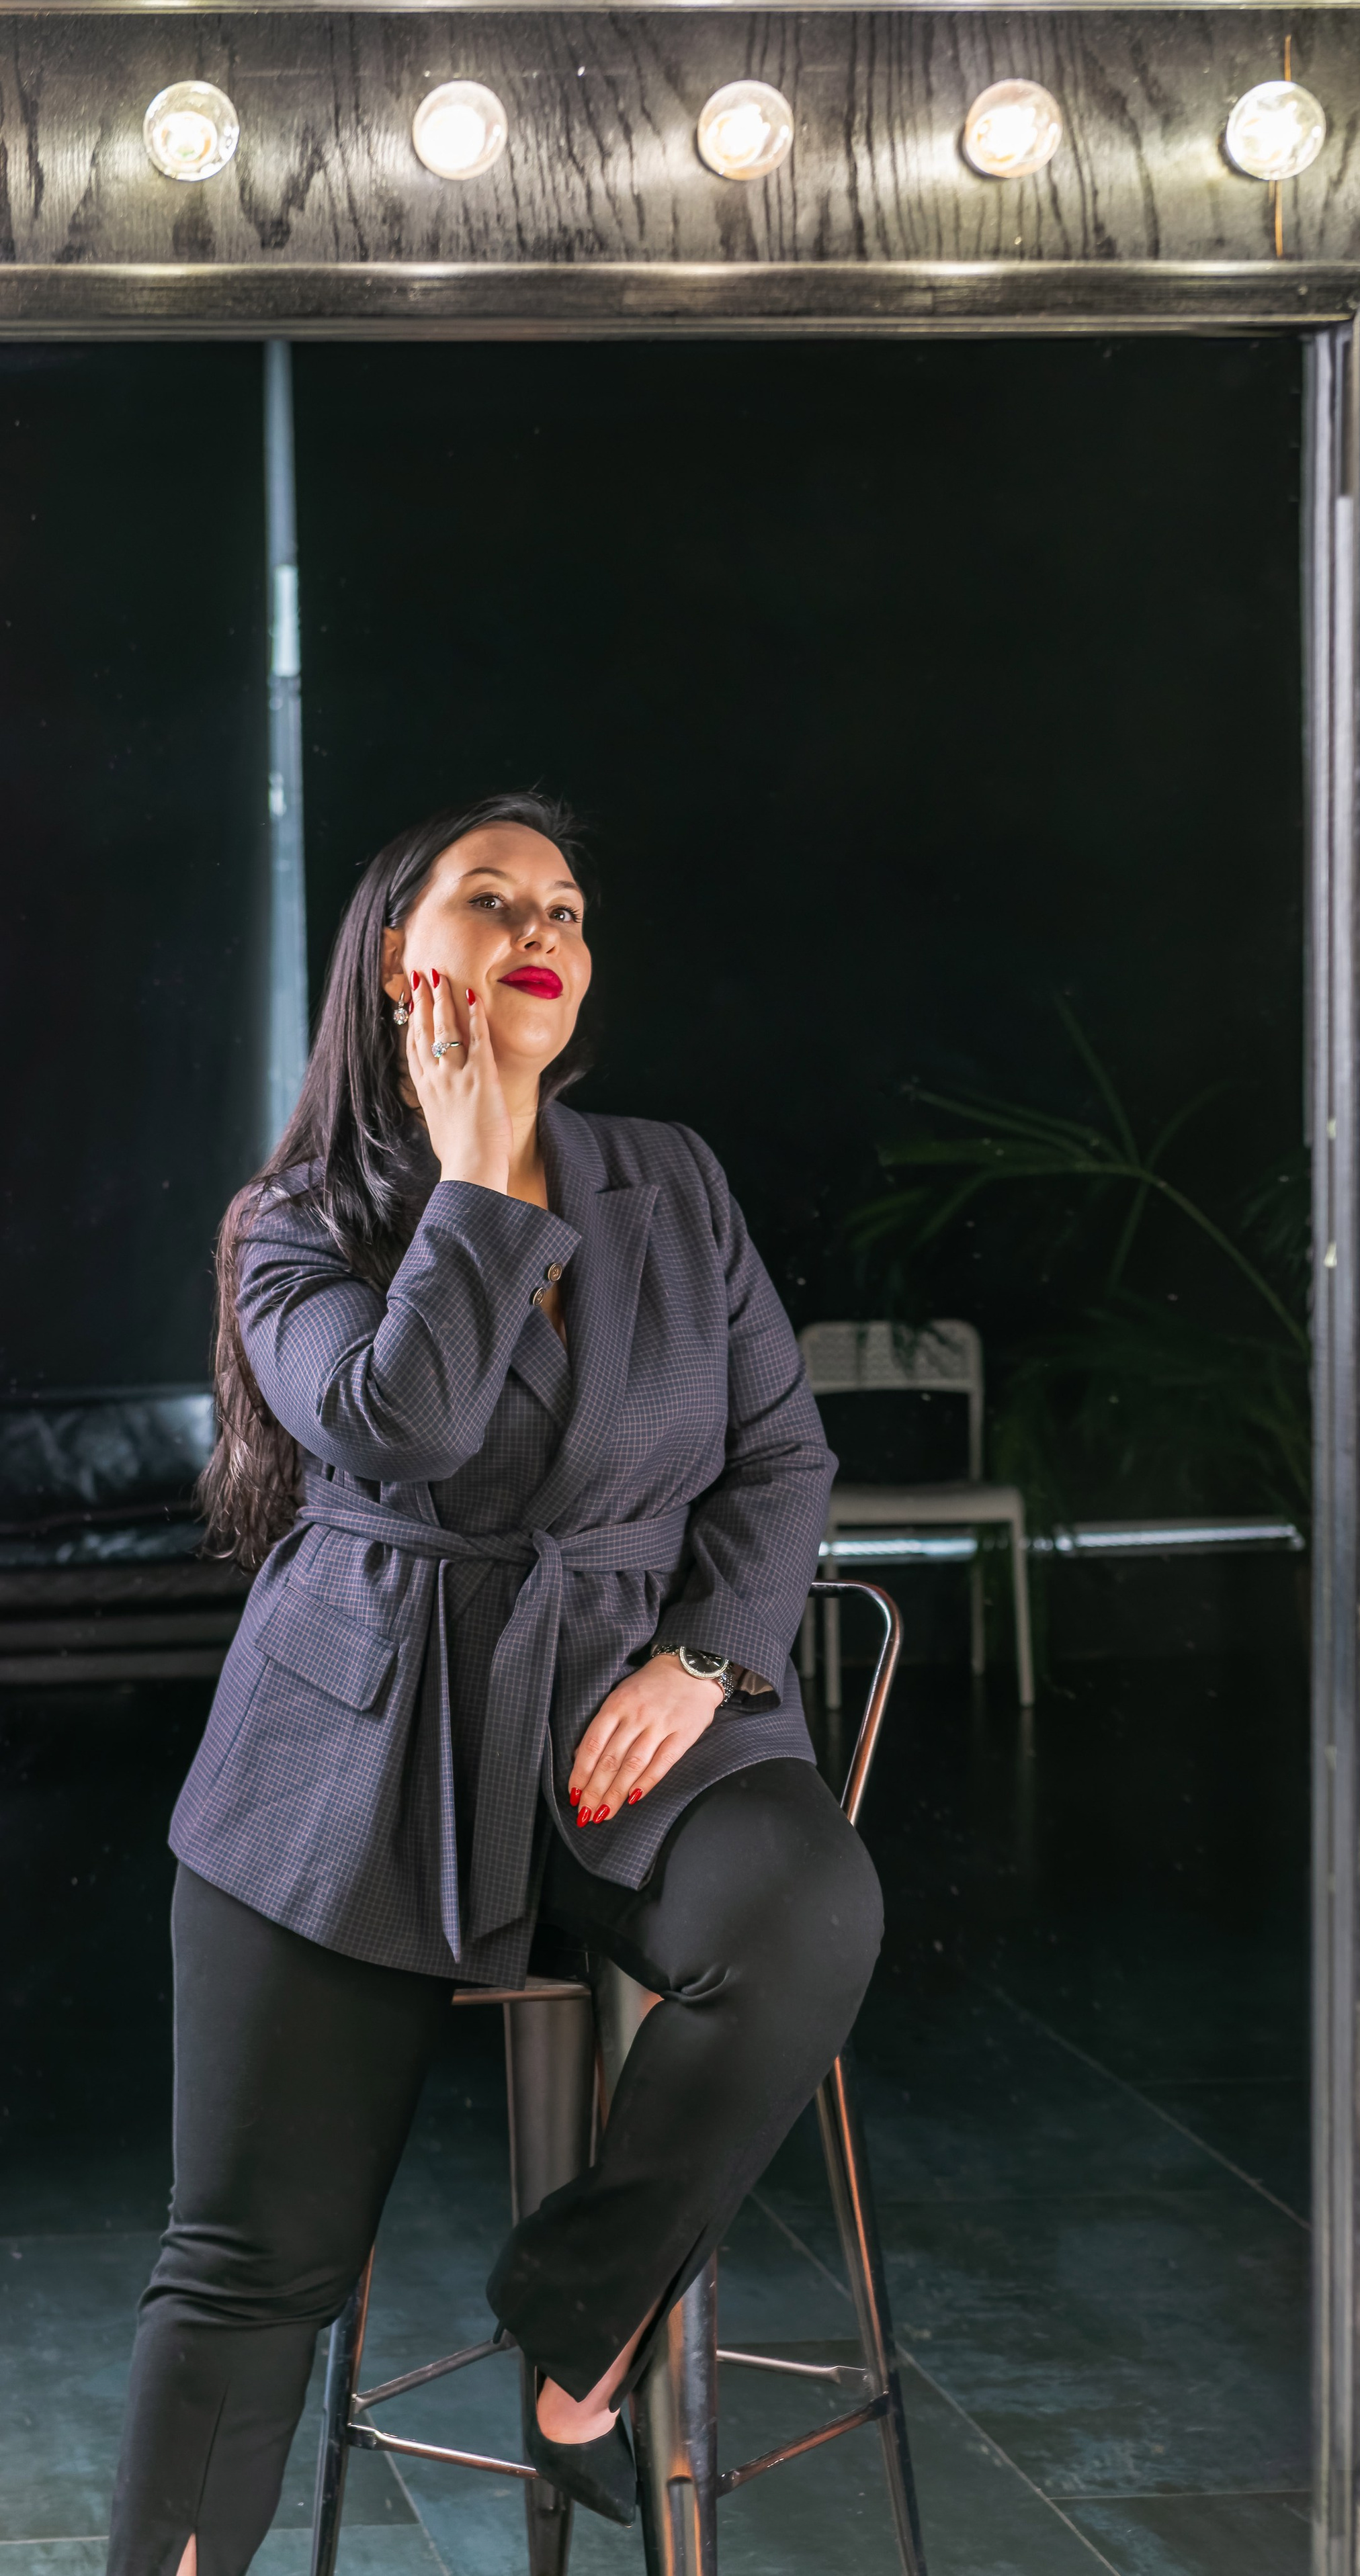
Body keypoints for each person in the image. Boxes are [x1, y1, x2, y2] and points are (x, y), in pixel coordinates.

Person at [106, 790, 880, 2576]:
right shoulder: (292, 1219)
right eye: (493, 894)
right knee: (246, 2268)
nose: (545, 923)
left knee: (809, 1909)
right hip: (354, 1758)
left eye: (572, 907)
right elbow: (406, 1422)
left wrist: (706, 1655)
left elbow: (783, 1462)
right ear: (402, 960)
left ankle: (577, 2310)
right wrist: (474, 1170)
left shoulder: (673, 1183)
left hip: (631, 1727)